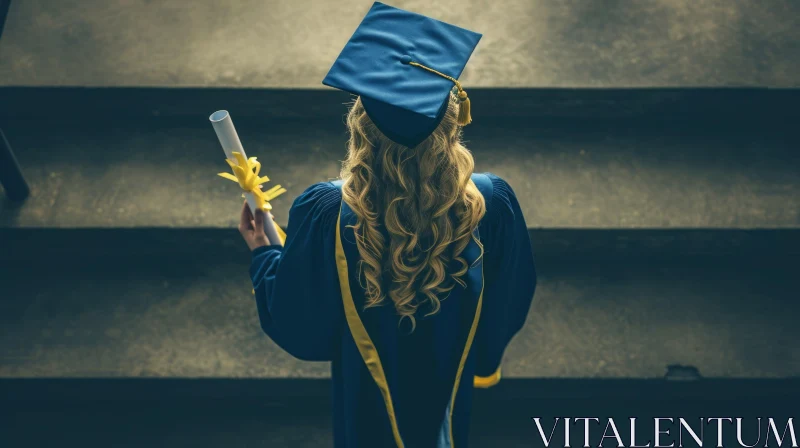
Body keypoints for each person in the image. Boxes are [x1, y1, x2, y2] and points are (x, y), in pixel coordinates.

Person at [240, 3, 536, 447]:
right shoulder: (492, 201)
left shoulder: (325, 210)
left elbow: (303, 326)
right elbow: (509, 294)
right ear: (452, 122)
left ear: (360, 125)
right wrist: (485, 355)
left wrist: (266, 253)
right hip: (448, 367)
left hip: (365, 389)